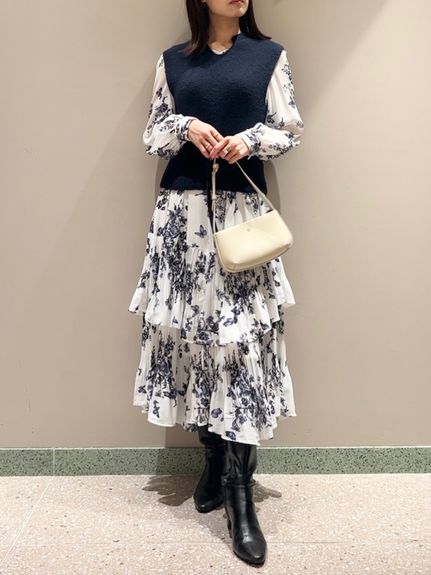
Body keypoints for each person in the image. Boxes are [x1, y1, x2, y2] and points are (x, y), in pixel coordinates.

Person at [128, 0, 304, 566]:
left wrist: (249, 140)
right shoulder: (173, 61)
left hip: (241, 220)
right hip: (181, 220)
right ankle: (211, 460)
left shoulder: (268, 56)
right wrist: (186, 125)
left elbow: (289, 130)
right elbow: (153, 136)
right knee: (194, 342)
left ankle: (240, 493)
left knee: (242, 346)